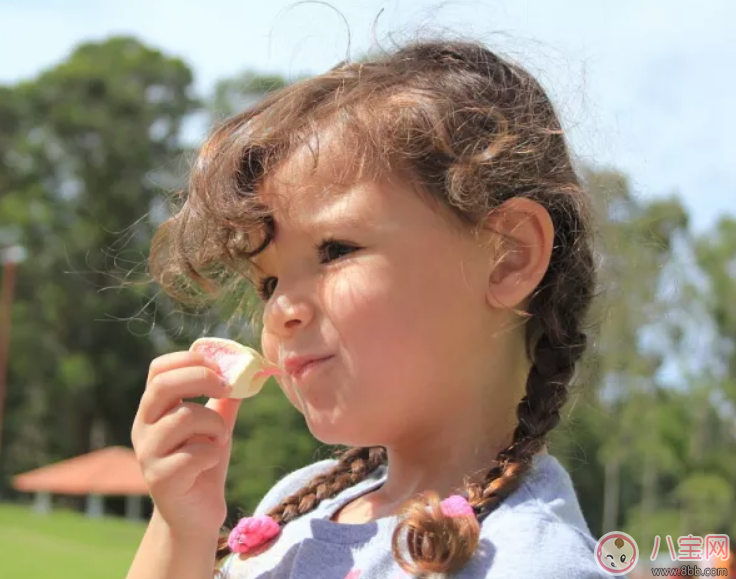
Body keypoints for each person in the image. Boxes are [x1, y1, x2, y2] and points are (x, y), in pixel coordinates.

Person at [127, 36, 605, 579]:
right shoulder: (295, 506)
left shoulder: (528, 561)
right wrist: (178, 528)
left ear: (508, 257)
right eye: (268, 284)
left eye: (335, 250)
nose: (282, 308)